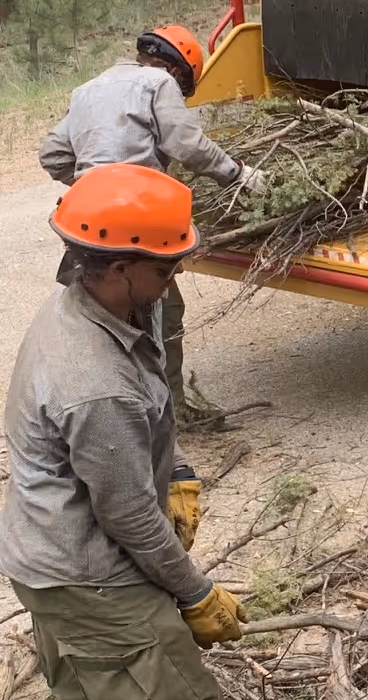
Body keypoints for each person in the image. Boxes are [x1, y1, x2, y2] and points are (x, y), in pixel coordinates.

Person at [0, 164, 310, 700]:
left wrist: (175, 471)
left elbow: (142, 455)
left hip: (50, 568)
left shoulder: (82, 315)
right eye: (165, 264)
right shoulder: (91, 381)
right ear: (114, 266)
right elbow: (125, 514)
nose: (175, 275)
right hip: (94, 581)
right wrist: (196, 593)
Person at [39, 24, 266, 423]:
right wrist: (238, 174)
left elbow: (53, 155)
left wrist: (94, 181)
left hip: (88, 220)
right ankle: (165, 415)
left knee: (94, 309)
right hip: (133, 218)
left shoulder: (87, 89)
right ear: (178, 71)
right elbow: (188, 145)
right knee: (162, 309)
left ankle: (96, 408)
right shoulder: (158, 83)